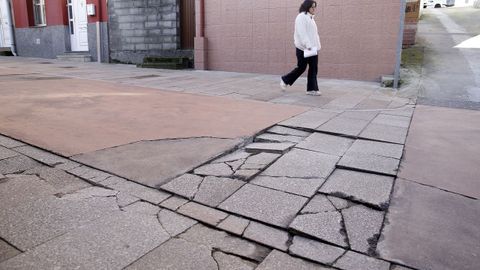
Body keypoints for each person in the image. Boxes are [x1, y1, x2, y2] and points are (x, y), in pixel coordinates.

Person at [280, 0, 321, 95]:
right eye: (312, 7)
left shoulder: (311, 18)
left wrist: (316, 46)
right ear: (307, 7)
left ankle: (312, 89)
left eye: (315, 7)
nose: (314, 9)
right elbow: (302, 33)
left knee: (313, 68)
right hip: (304, 48)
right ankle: (285, 80)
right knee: (301, 68)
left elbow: (314, 35)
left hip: (312, 48)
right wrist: (308, 46)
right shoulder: (301, 17)